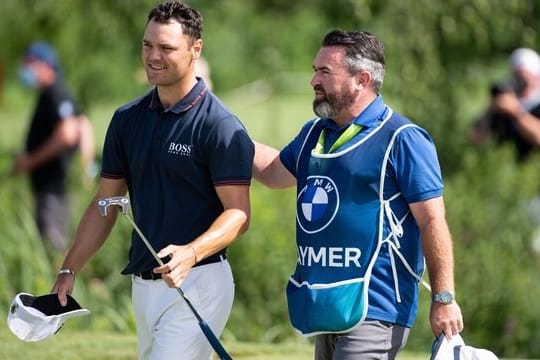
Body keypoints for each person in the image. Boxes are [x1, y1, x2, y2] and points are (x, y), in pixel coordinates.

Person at [52, 1, 254, 359]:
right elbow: (106, 202)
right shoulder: (127, 120)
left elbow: (238, 213)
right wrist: (69, 269)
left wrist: (191, 253)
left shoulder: (218, 125)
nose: (153, 56)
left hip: (200, 281)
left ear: (196, 49)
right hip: (144, 285)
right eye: (148, 45)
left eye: (166, 48)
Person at [253, 29, 463, 359]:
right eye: (314, 70)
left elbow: (433, 221)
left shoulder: (403, 138)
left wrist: (444, 298)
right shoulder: (314, 134)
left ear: (361, 79)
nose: (313, 81)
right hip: (325, 304)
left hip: (376, 308)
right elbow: (273, 172)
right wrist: (221, 133)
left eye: (325, 72)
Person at [10, 42, 95, 253]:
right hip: (50, 187)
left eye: (29, 64)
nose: (25, 70)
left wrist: (31, 160)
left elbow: (67, 133)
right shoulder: (51, 94)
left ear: (45, 65)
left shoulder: (55, 93)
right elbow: (83, 125)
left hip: (54, 189)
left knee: (53, 249)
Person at [470, 47, 540, 161]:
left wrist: (516, 112)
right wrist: (491, 109)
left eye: (523, 78)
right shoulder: (503, 107)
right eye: (516, 77)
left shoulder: (536, 104)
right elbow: (475, 138)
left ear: (536, 78)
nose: (519, 82)